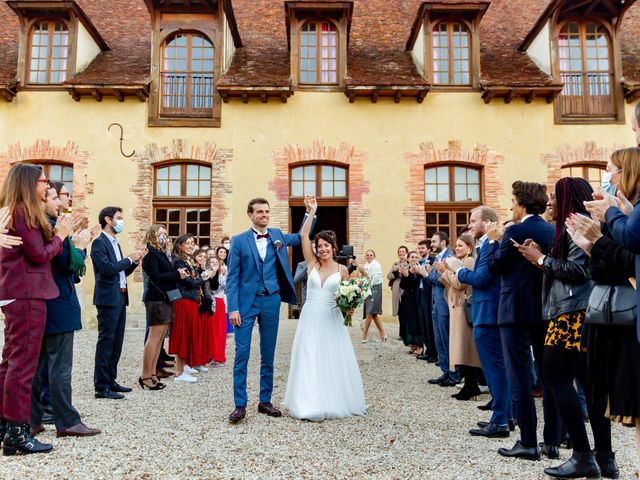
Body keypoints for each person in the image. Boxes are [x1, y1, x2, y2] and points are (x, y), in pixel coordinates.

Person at [518, 178, 600, 478]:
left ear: (568, 197)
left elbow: (578, 271)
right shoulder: (575, 225)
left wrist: (540, 258)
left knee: (555, 377)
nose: (550, 201)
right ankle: (600, 457)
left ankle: (583, 455)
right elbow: (567, 265)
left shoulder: (576, 224)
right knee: (582, 384)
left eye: (555, 196)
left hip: (571, 314)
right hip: (571, 310)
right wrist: (543, 256)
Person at [0, 163, 75, 455]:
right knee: (22, 365)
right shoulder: (24, 213)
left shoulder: (14, 211)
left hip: (18, 293)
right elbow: (38, 254)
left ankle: (7, 426)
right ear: (30, 182)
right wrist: (61, 235)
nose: (48, 185)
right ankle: (18, 433)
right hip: (28, 294)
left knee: (10, 362)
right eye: (44, 180)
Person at [487, 181, 560, 461]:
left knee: (519, 374)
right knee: (549, 376)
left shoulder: (515, 230)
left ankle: (528, 441)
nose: (510, 206)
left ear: (522, 204)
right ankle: (552, 441)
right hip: (544, 309)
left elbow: (495, 267)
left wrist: (494, 242)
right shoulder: (552, 231)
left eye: (513, 201)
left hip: (514, 309)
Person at [226, 197, 314, 423]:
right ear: (250, 215)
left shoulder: (277, 236)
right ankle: (240, 404)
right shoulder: (238, 241)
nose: (264, 215)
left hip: (271, 301)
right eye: (260, 212)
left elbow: (302, 235)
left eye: (266, 212)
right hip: (245, 304)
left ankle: (265, 400)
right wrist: (233, 308)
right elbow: (233, 277)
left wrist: (310, 213)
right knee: (242, 354)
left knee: (268, 353)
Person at [283, 197, 366, 421]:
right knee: (309, 355)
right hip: (310, 316)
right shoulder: (311, 264)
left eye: (326, 246)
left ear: (333, 247)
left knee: (329, 358)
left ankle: (330, 400)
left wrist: (349, 308)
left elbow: (348, 297)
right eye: (319, 246)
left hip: (331, 318)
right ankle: (307, 402)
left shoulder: (343, 270)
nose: (322, 249)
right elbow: (302, 236)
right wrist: (312, 212)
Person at [30, 183, 101, 439]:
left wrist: (78, 242)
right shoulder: (50, 226)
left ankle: (33, 419)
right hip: (58, 303)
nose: (59, 203)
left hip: (45, 303)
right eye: (54, 198)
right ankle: (67, 421)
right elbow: (62, 263)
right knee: (59, 367)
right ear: (42, 201)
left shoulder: (41, 224)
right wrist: (80, 248)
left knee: (37, 368)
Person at [447, 206, 512, 438]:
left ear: (486, 222)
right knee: (498, 368)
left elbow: (482, 279)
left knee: (495, 369)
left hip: (488, 311)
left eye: (474, 220)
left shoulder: (487, 246)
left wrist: (459, 271)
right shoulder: (486, 246)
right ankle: (506, 415)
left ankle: (500, 420)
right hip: (488, 310)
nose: (470, 224)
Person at [91, 207, 145, 400]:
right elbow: (107, 269)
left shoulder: (116, 243)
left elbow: (120, 272)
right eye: (119, 218)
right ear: (108, 219)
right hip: (107, 299)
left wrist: (134, 262)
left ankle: (111, 380)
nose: (121, 222)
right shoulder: (99, 243)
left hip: (120, 297)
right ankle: (101, 386)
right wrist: (130, 258)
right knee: (106, 341)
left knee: (117, 342)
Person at [141, 224, 187, 390]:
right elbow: (156, 276)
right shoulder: (150, 253)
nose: (164, 237)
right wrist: (177, 275)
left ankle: (153, 372)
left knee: (160, 338)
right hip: (156, 299)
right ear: (152, 234)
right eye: (160, 234)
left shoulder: (160, 252)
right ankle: (145, 375)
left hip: (165, 298)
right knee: (153, 338)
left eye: (165, 234)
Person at [437, 234, 481, 401]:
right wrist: (447, 273)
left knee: (465, 348)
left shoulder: (469, 262)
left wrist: (445, 272)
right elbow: (451, 283)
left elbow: (460, 283)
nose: (457, 248)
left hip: (463, 309)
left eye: (460, 245)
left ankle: (472, 385)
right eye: (456, 245)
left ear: (469, 247)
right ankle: (469, 385)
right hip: (456, 308)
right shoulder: (459, 263)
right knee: (459, 347)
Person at [169, 235, 211, 384]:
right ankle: (180, 372)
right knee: (183, 334)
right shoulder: (179, 261)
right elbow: (190, 283)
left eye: (193, 243)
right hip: (184, 300)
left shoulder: (186, 261)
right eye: (188, 243)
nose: (191, 245)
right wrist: (205, 276)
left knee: (188, 334)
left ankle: (184, 367)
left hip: (191, 300)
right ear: (180, 245)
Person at [427, 232, 457, 386]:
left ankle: (454, 373)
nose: (431, 244)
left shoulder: (449, 257)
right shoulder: (437, 258)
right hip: (435, 302)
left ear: (443, 242)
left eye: (434, 241)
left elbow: (440, 280)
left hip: (444, 302)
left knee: (447, 337)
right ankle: (445, 370)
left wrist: (425, 274)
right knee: (439, 338)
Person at [398, 251, 423, 354]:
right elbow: (403, 286)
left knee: (417, 321)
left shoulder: (420, 269)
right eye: (412, 257)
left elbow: (414, 284)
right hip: (408, 298)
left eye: (416, 257)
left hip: (417, 297)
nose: (414, 259)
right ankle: (411, 344)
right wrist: (405, 275)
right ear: (407, 259)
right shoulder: (406, 270)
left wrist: (409, 275)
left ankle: (419, 346)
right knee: (408, 321)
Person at [359, 250, 386, 343]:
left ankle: (365, 334)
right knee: (373, 314)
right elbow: (363, 277)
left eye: (371, 255)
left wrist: (365, 274)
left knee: (370, 312)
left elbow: (375, 279)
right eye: (367, 255)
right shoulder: (366, 265)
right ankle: (383, 334)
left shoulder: (376, 265)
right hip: (367, 289)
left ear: (374, 256)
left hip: (375, 289)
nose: (369, 256)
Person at [416, 239, 437, 362]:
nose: (420, 250)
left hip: (429, 295)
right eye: (419, 248)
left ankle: (434, 353)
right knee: (423, 324)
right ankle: (428, 350)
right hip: (421, 294)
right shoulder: (419, 262)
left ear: (428, 249)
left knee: (430, 324)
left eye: (422, 248)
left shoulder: (433, 261)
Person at [207, 255, 227, 366]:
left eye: (216, 262)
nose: (214, 264)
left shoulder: (222, 275)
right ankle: (211, 355)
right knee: (212, 330)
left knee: (220, 330)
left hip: (220, 302)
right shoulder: (207, 275)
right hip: (212, 303)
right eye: (212, 262)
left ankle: (219, 356)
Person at [387, 246, 409, 320]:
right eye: (399, 252)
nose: (401, 253)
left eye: (403, 252)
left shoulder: (408, 263)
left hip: (404, 289)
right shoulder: (395, 263)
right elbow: (389, 276)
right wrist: (396, 273)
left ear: (406, 253)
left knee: (405, 310)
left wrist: (399, 273)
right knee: (398, 310)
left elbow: (407, 274)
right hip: (396, 288)